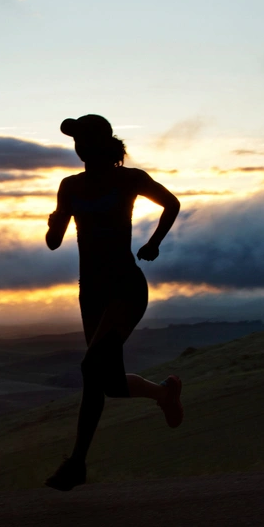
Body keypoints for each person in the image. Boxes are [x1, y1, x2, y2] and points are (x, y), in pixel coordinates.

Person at [44, 114, 184, 492]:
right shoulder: (69, 186)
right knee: (108, 384)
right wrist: (55, 222)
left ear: (98, 144)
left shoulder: (130, 179)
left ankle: (76, 465)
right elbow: (54, 242)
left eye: (82, 141)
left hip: (125, 287)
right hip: (90, 292)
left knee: (92, 367)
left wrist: (154, 243)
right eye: (75, 142)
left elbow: (171, 204)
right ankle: (163, 392)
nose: (77, 148)